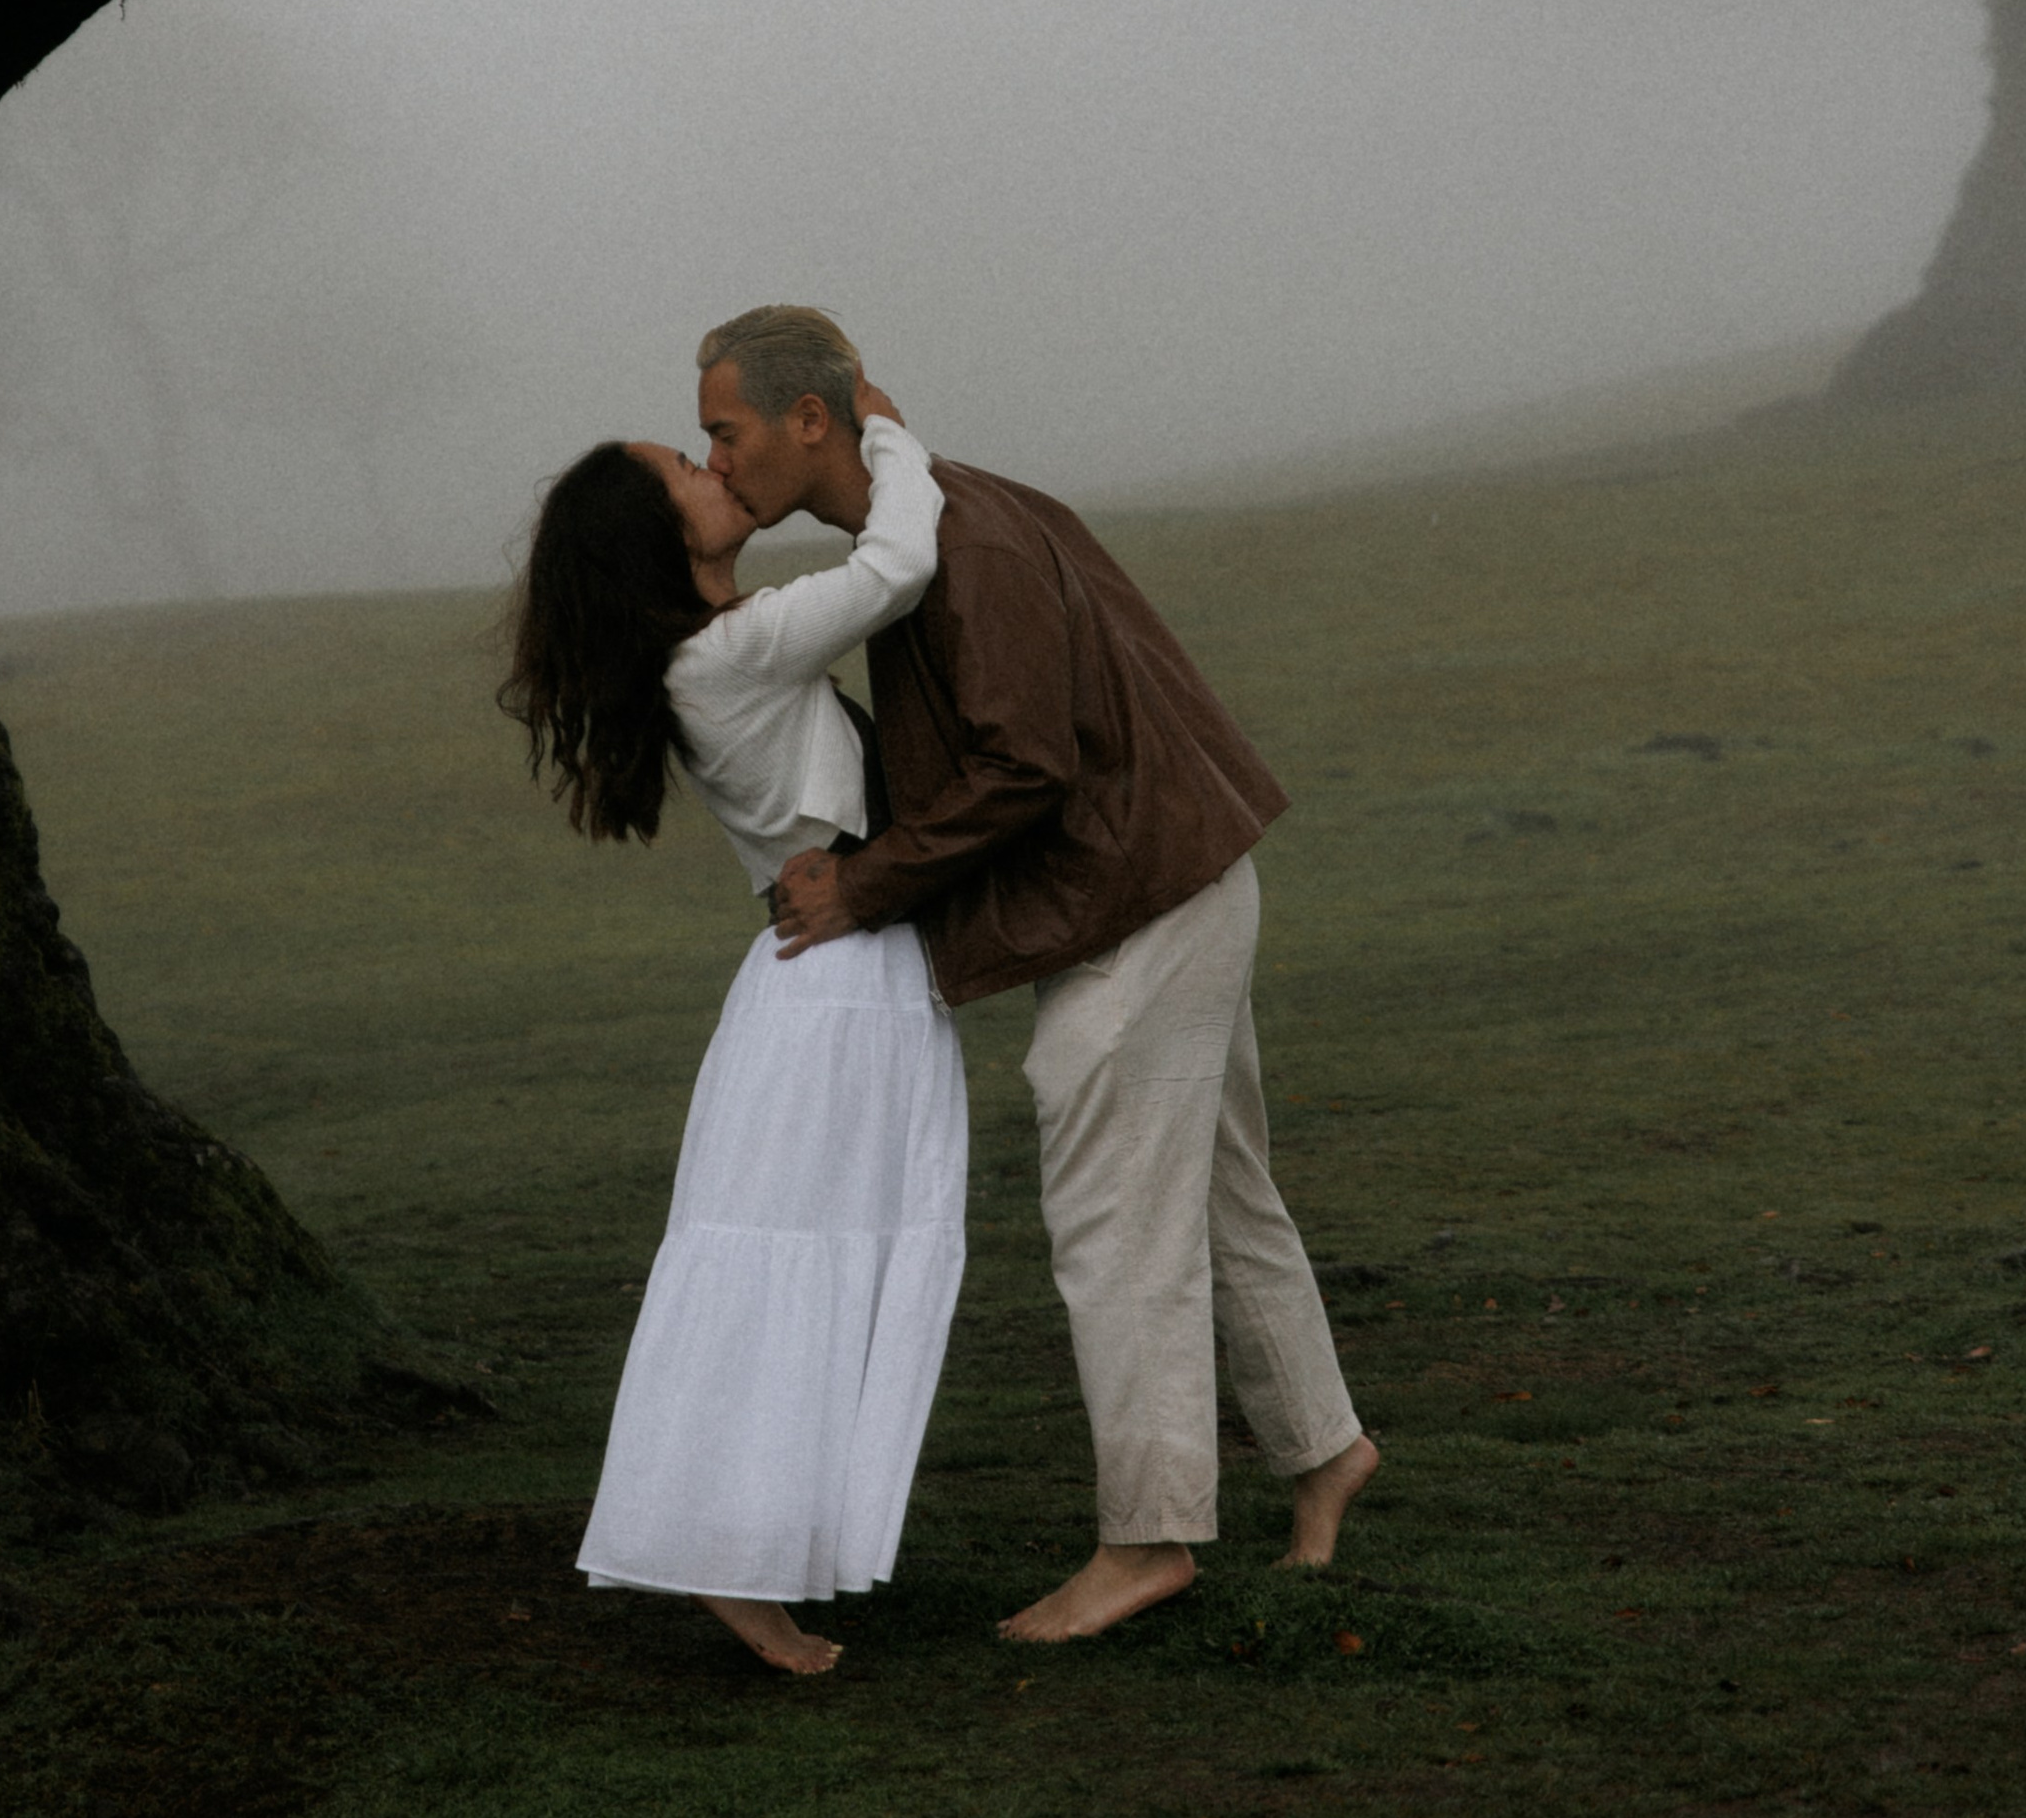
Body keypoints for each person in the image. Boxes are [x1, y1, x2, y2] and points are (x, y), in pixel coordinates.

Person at [698, 304, 1378, 1647]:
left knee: (1111, 1222)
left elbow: (1028, 766)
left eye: (726, 431)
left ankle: (1148, 1539)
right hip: (1167, 877)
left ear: (812, 421)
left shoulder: (966, 541)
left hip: (1137, 901)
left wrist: (867, 883)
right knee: (1226, 1197)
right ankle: (1327, 1454)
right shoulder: (936, 520)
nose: (714, 460)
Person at [503, 348, 964, 1677]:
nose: (711, 465)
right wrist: (884, 437)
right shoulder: (726, 657)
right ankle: (734, 1572)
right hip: (830, 997)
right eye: (682, 466)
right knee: (786, 1275)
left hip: (833, 982)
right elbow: (898, 571)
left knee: (813, 1268)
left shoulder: (718, 651)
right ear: (656, 537)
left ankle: (761, 1551)